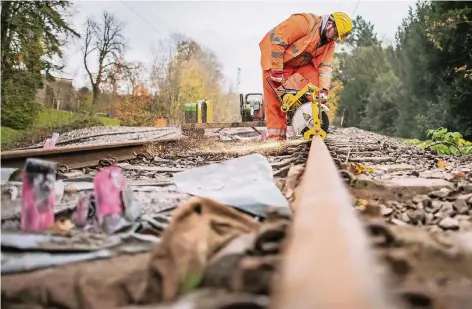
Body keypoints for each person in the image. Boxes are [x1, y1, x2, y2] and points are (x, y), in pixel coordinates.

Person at [259, 12, 353, 140]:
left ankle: (310, 121)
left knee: (315, 89)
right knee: (276, 101)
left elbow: (325, 66)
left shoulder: (330, 43)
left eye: (337, 37)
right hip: (275, 59)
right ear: (329, 24)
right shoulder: (304, 22)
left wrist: (324, 90)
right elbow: (278, 40)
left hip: (298, 64)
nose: (334, 38)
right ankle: (276, 138)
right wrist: (277, 70)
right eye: (335, 34)